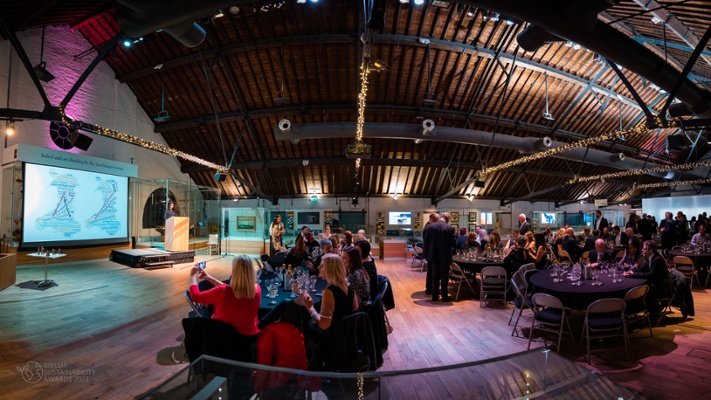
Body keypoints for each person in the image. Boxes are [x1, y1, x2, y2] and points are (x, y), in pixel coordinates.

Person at [188, 255, 260, 337]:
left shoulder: (223, 292)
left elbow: (196, 297)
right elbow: (231, 291)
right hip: (250, 337)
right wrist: (211, 279)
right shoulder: (257, 289)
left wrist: (192, 276)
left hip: (224, 338)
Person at [624, 240, 674, 316]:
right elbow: (641, 269)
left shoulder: (657, 259)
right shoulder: (649, 257)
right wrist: (631, 272)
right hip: (656, 283)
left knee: (643, 290)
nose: (642, 250)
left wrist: (634, 274)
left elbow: (651, 274)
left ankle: (653, 310)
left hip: (662, 287)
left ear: (651, 250)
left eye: (644, 249)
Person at [423, 213, 455, 301]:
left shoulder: (431, 227)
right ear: (447, 219)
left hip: (433, 255)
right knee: (444, 277)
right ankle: (444, 296)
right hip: (445, 256)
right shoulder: (450, 228)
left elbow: (426, 240)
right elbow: (453, 243)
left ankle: (434, 296)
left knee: (434, 276)